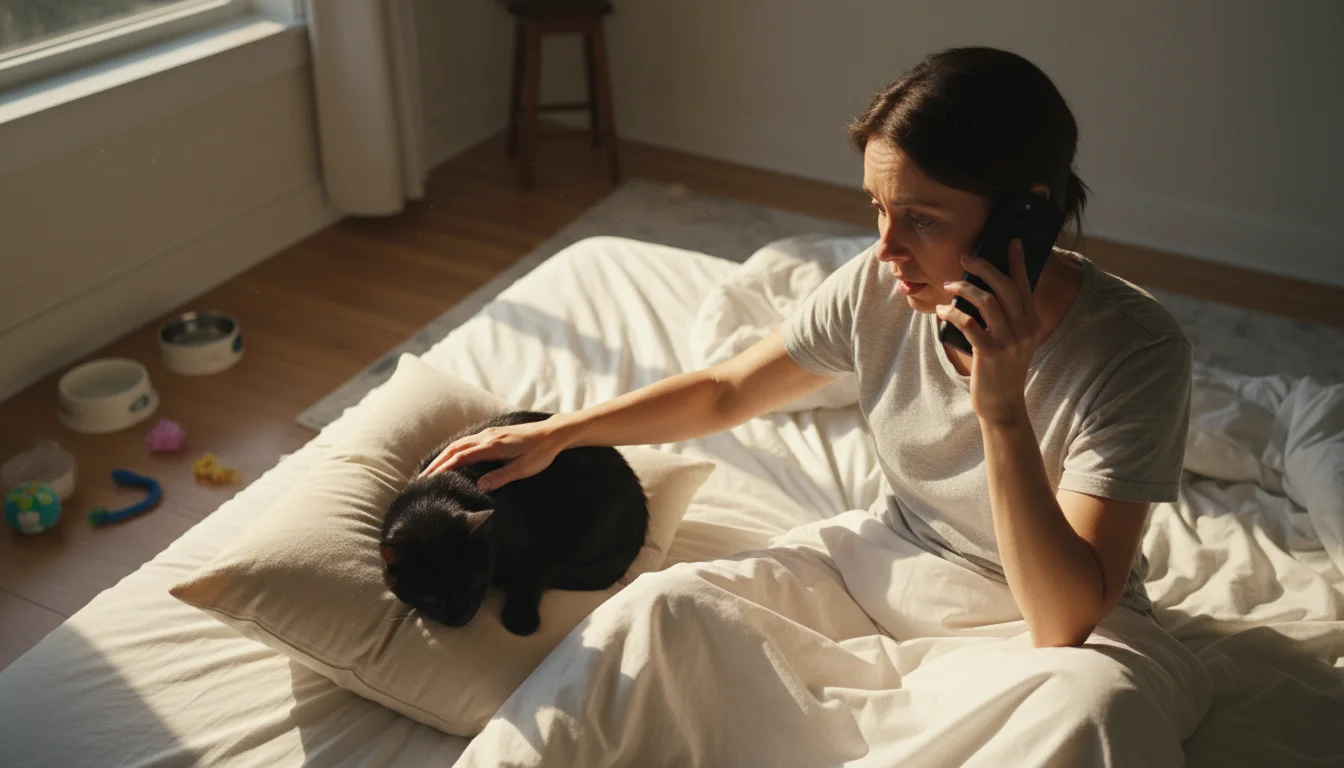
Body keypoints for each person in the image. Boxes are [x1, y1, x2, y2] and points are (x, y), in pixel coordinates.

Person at [427, 46, 1212, 766]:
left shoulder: (1134, 351)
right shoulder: (879, 288)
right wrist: (561, 434)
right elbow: (727, 390)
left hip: (1053, 628)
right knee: (669, 607)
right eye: (878, 207)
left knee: (1097, 714)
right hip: (888, 567)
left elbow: (1059, 620)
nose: (886, 247)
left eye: (922, 219)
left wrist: (1002, 411)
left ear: (1024, 212)